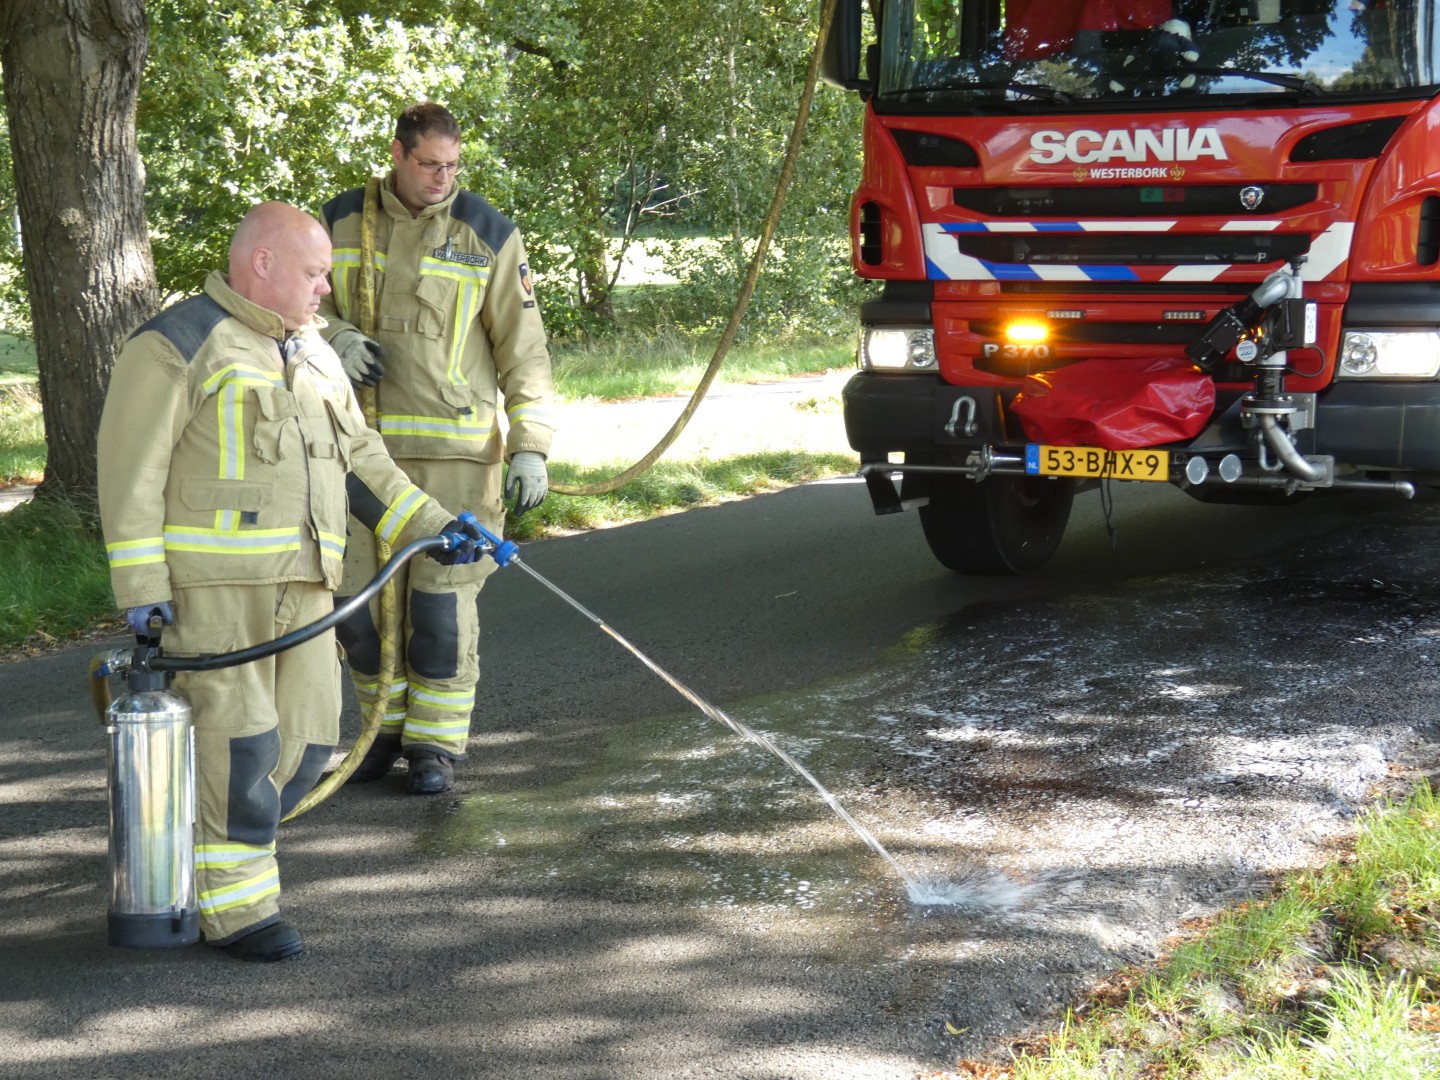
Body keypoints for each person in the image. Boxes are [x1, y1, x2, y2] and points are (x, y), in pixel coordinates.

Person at [96, 201, 486, 962]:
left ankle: (206, 864)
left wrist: (436, 525)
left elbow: (361, 461)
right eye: (314, 273)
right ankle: (236, 909)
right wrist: (142, 588)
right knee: (238, 745)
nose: (325, 289)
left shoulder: (314, 353)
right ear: (263, 263)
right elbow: (130, 473)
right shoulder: (178, 344)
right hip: (215, 592)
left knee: (308, 744)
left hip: (309, 586)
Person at [317, 102, 556, 796]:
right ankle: (379, 732)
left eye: (452, 166)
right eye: (428, 164)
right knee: (360, 612)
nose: (442, 178)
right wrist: (335, 337)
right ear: (397, 153)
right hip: (358, 457)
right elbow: (293, 305)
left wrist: (530, 446)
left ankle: (434, 745)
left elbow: (524, 352)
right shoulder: (339, 221)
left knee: (440, 612)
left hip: (456, 463)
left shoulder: (487, 233)